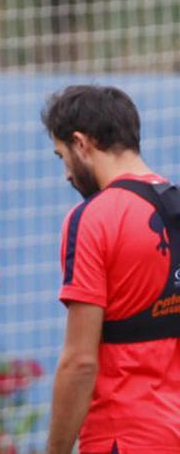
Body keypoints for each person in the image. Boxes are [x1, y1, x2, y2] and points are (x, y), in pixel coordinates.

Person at [42, 86, 180, 454]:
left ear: (81, 143)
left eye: (62, 157)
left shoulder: (94, 218)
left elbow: (80, 363)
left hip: (124, 436)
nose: (67, 174)